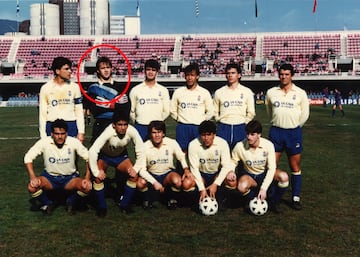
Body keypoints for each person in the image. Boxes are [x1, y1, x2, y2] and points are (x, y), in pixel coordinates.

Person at [265, 63, 310, 210]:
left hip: (293, 133)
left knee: (295, 166)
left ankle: (295, 198)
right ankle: (272, 197)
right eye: (281, 74)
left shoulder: (301, 93)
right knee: (272, 166)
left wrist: (294, 126)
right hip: (276, 132)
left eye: (287, 74)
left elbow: (304, 115)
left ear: (292, 75)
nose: (284, 77)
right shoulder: (271, 92)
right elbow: (269, 112)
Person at [24, 119, 92, 215]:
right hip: (50, 178)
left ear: (66, 133)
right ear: (52, 134)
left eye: (62, 133)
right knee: (32, 187)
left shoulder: (73, 142)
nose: (60, 137)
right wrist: (32, 177)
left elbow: (89, 158)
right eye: (56, 134)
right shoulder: (44, 142)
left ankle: (71, 202)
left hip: (69, 179)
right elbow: (28, 157)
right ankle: (48, 203)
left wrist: (87, 178)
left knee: (87, 187)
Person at [88, 109, 145, 217]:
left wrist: (136, 169)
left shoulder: (132, 131)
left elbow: (141, 150)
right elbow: (93, 151)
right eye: (119, 124)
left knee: (133, 176)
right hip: (104, 156)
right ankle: (102, 207)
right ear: (114, 125)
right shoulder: (108, 132)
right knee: (98, 178)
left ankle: (124, 205)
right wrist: (96, 172)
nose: (123, 127)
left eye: (125, 124)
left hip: (120, 156)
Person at [231, 120, 289, 214]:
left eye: (252, 134)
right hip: (249, 176)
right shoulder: (240, 146)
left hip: (263, 174)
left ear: (259, 135)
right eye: (247, 134)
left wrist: (264, 188)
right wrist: (231, 171)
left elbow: (271, 168)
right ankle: (252, 200)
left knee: (284, 177)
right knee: (241, 187)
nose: (249, 137)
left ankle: (273, 202)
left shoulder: (268, 145)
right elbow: (233, 161)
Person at [137, 120, 196, 210]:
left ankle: (172, 199)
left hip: (167, 174)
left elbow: (181, 156)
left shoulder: (171, 143)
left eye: (159, 132)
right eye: (154, 132)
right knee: (140, 183)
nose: (157, 135)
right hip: (152, 174)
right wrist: (154, 182)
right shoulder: (144, 147)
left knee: (177, 181)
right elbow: (141, 170)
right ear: (150, 134)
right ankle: (147, 200)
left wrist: (186, 169)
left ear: (163, 133)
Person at [188, 120, 236, 204]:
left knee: (232, 181)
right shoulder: (193, 144)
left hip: (216, 174)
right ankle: (195, 199)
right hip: (201, 173)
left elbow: (226, 166)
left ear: (214, 134)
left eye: (208, 135)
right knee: (187, 183)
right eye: (203, 135)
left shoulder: (222, 143)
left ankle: (223, 198)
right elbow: (194, 168)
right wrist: (202, 189)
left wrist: (216, 184)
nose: (206, 138)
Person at [38, 56, 85, 143]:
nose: (70, 71)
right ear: (57, 71)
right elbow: (42, 114)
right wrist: (43, 136)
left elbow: (79, 111)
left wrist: (81, 132)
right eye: (66, 69)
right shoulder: (46, 88)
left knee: (71, 156)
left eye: (70, 69)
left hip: (71, 125)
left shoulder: (75, 87)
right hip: (52, 125)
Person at [170, 63, 214, 152]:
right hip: (183, 127)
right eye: (188, 75)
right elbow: (172, 110)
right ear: (184, 77)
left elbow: (210, 111)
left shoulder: (204, 92)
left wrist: (202, 121)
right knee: (182, 153)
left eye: (192, 75)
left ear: (197, 76)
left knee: (198, 152)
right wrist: (180, 119)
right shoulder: (178, 92)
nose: (190, 78)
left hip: (198, 127)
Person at [87, 56, 131, 144]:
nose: (106, 70)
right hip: (100, 125)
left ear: (111, 69)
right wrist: (115, 104)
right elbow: (95, 109)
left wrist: (106, 104)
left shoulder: (121, 87)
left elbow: (126, 107)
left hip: (117, 125)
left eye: (108, 67)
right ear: (98, 71)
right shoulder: (93, 88)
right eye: (103, 68)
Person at [213, 63, 255, 149]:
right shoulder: (219, 92)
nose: (230, 75)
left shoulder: (247, 91)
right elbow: (215, 111)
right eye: (228, 73)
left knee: (240, 155)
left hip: (240, 127)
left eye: (233, 73)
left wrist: (244, 123)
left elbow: (251, 112)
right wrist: (219, 121)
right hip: (223, 127)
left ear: (239, 75)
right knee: (223, 155)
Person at [129, 59, 170, 141]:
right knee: (141, 152)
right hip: (141, 126)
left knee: (157, 151)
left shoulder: (163, 90)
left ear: (157, 72)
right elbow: (131, 111)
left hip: (157, 127)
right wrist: (138, 121)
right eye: (148, 69)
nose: (150, 72)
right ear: (144, 71)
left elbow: (166, 111)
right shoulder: (136, 90)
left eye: (153, 70)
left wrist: (158, 122)